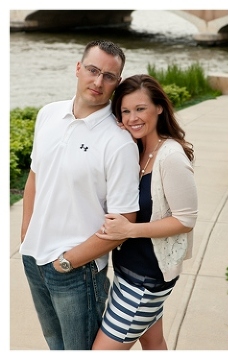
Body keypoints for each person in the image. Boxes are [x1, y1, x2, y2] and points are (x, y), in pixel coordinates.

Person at [20, 40, 140, 350]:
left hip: (77, 270)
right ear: (78, 68)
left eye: (109, 76)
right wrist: (26, 237)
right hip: (35, 258)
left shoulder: (119, 142)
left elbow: (124, 221)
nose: (99, 82)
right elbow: (35, 178)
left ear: (118, 82)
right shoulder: (48, 114)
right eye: (93, 70)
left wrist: (67, 261)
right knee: (55, 346)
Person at [88, 74, 198, 350]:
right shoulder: (134, 149)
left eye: (140, 109)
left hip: (146, 281)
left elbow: (186, 219)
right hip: (127, 272)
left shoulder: (170, 156)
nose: (132, 118)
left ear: (159, 108)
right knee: (154, 343)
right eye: (125, 111)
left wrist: (130, 230)